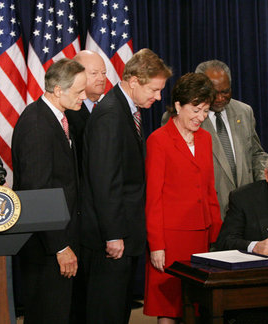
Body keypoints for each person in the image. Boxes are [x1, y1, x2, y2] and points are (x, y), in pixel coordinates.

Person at [81, 48, 172, 323]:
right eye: (154, 90)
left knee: (119, 309)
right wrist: (113, 234)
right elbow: (105, 181)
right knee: (107, 310)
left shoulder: (127, 109)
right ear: (134, 81)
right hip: (114, 236)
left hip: (126, 231)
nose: (158, 97)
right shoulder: (111, 113)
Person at [11, 58, 86, 324]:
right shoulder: (37, 124)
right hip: (46, 247)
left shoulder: (60, 119)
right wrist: (60, 246)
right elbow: (37, 192)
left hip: (59, 240)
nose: (84, 97)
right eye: (78, 92)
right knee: (47, 314)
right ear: (57, 90)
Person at [144, 73, 223, 323]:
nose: (201, 117)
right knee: (168, 307)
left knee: (198, 306)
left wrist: (217, 236)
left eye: (206, 111)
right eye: (196, 109)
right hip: (170, 238)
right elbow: (153, 197)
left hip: (200, 235)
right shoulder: (158, 140)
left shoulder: (206, 138)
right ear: (178, 105)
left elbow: (210, 190)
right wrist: (157, 245)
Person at [162, 60, 268, 219]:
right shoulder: (182, 118)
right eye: (213, 92)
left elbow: (256, 154)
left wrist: (264, 183)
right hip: (206, 213)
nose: (219, 98)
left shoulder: (244, 112)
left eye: (225, 91)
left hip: (246, 212)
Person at [65, 50, 107, 170]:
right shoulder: (67, 112)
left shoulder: (112, 107)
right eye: (94, 73)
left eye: (104, 73)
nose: (101, 78)